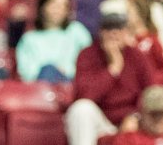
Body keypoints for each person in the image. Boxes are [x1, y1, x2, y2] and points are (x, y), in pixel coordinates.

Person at [65, 13, 156, 145]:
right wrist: (113, 69)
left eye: (118, 29)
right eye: (108, 29)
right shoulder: (87, 55)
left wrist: (136, 116)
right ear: (100, 32)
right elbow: (84, 95)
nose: (113, 34)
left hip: (133, 120)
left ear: (126, 32)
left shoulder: (137, 55)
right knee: (81, 109)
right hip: (101, 121)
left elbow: (150, 92)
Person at [16, 0, 93, 83]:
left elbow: (90, 59)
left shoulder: (76, 30)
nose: (58, 9)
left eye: (63, 5)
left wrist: (68, 71)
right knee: (48, 70)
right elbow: (25, 71)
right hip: (40, 84)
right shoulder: (29, 38)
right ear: (43, 7)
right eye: (54, 4)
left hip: (71, 82)